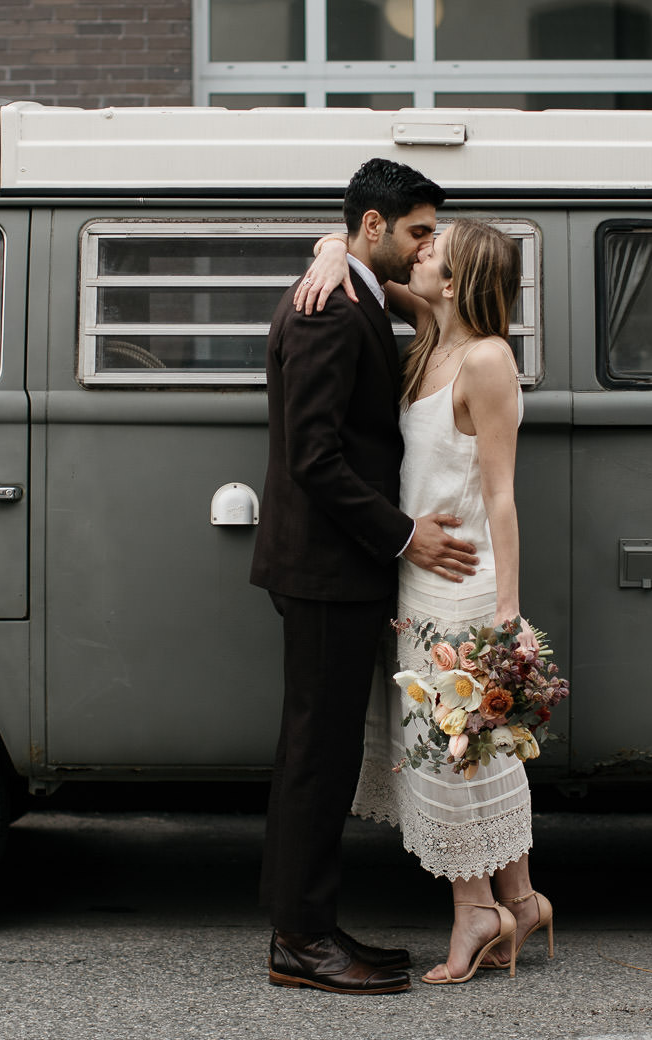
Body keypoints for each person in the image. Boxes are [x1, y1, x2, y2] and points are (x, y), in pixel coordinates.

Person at [298, 217, 554, 987]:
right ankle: (522, 900)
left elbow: (503, 494)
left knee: (450, 755)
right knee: (462, 750)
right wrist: (333, 247)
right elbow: (374, 271)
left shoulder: (485, 359)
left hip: (465, 587)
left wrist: (509, 611)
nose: (420, 253)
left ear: (460, 277)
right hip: (418, 580)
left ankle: (475, 913)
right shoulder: (429, 332)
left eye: (434, 251)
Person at [251, 158, 479, 996]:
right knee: (316, 754)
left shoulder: (351, 290)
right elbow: (314, 457)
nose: (428, 249)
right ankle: (300, 941)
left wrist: (328, 247)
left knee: (324, 749)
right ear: (375, 227)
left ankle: (310, 927)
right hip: (326, 567)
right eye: (419, 232)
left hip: (333, 567)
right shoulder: (327, 313)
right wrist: (404, 536)